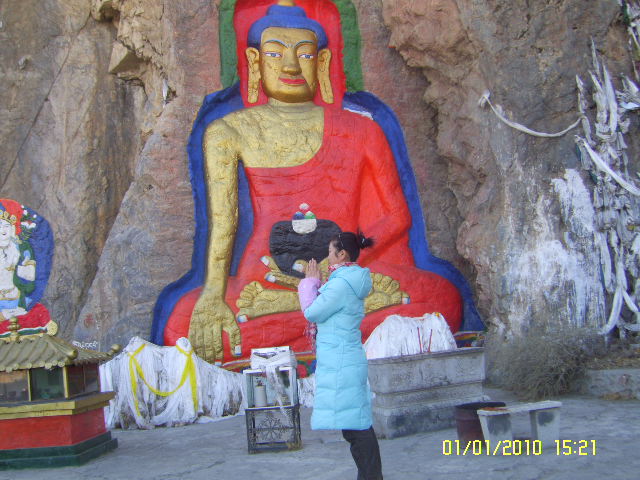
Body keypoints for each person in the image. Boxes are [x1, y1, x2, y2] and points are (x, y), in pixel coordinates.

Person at [155, 0, 478, 366]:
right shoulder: (228, 130)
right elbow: (224, 223)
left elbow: (396, 216)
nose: (291, 66)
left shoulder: (362, 129)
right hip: (265, 281)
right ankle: (332, 329)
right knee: (182, 324)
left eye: (305, 55)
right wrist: (213, 297)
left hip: (347, 271)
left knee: (441, 299)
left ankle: (301, 332)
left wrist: (340, 259)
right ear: (254, 61)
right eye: (275, 54)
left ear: (323, 62)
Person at [298, 230, 382, 480]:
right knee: (353, 423)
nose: (327, 258)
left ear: (342, 254)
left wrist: (310, 283)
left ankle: (371, 477)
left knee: (356, 426)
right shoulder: (345, 281)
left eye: (330, 252)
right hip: (344, 358)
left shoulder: (342, 284)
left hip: (343, 361)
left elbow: (313, 312)